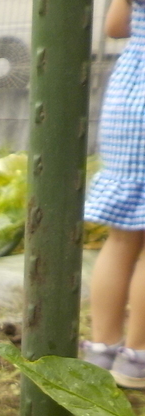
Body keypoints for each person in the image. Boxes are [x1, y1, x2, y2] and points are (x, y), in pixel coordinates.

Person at [83, 0, 145, 387]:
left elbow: (116, 25)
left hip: (128, 97)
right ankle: (137, 358)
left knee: (121, 238)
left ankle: (101, 351)